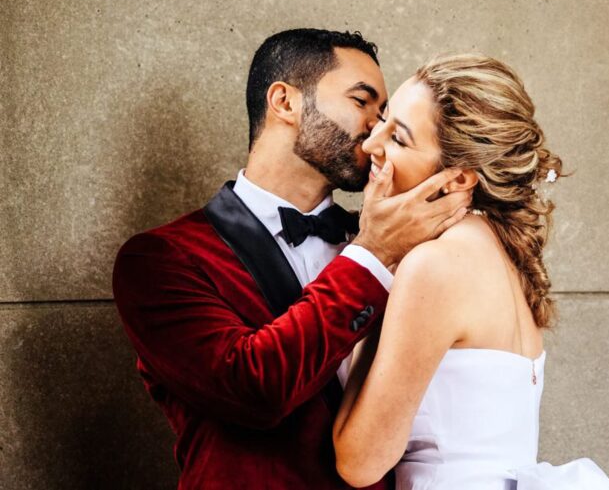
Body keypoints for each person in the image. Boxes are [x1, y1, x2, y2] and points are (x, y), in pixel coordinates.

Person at [112, 29, 470, 490]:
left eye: (385, 116)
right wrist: (371, 255)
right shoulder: (160, 260)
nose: (377, 130)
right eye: (363, 102)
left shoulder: (412, 250)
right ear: (284, 101)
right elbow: (253, 390)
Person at [332, 55, 609, 489]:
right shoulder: (500, 248)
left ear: (458, 179)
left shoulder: (435, 267)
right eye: (384, 121)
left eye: (399, 139)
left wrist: (376, 257)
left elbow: (359, 462)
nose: (373, 143)